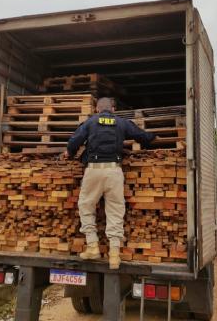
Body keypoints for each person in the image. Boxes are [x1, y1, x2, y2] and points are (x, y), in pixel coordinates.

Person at [64, 97, 155, 269]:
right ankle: (114, 255)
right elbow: (142, 136)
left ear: (97, 109)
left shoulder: (90, 122)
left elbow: (73, 142)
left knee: (86, 205)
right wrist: (153, 138)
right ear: (113, 109)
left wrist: (70, 152)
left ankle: (92, 247)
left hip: (94, 170)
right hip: (114, 171)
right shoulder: (122, 123)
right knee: (115, 209)